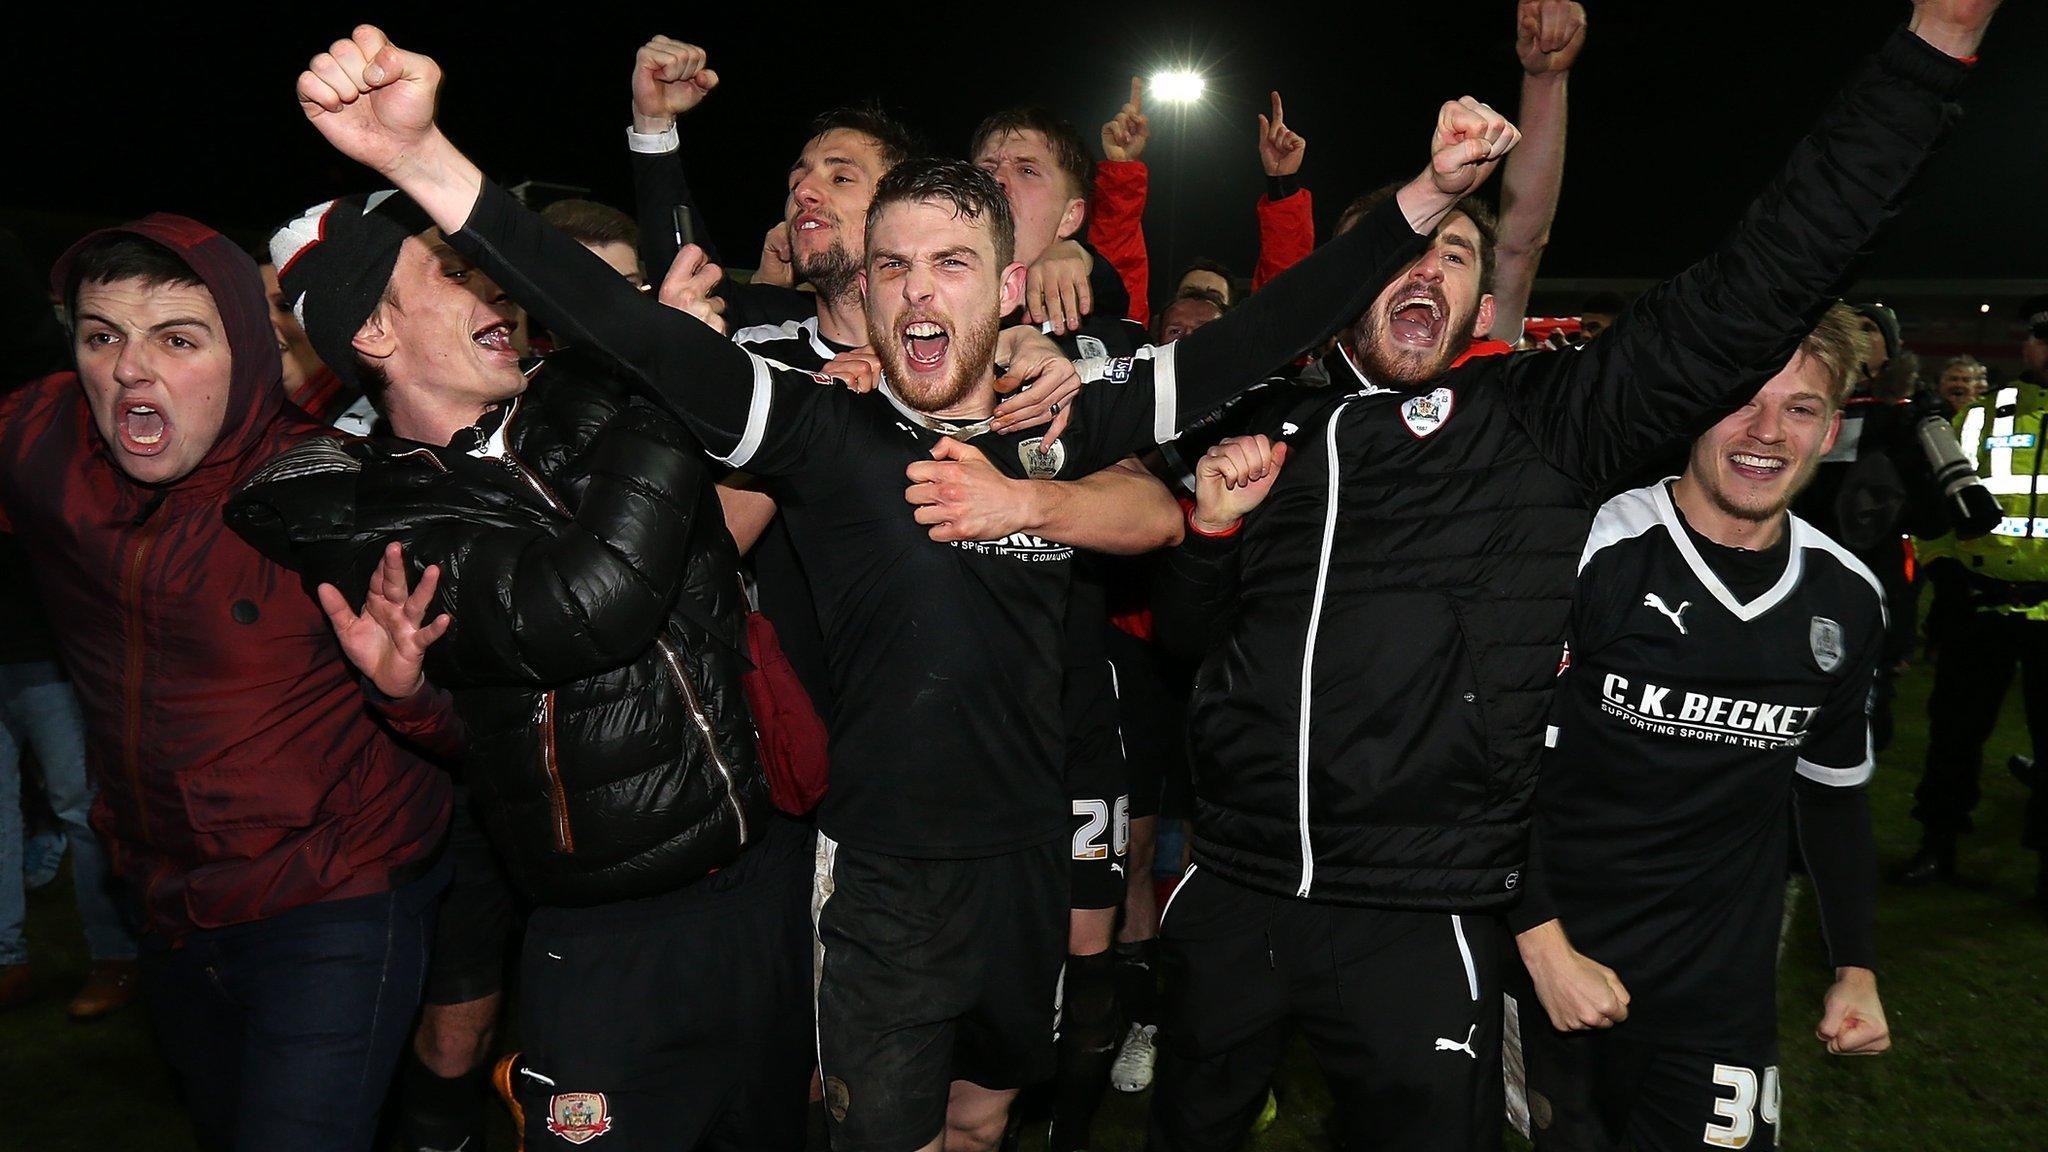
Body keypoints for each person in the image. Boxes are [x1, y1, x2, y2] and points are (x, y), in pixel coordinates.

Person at [292, 24, 1529, 1150]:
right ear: (869, 299)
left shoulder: (1069, 424)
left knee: (987, 1127)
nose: (920, 289)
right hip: (875, 885)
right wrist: (426, 161)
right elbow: (632, 332)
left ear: (1004, 290)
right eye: (893, 268)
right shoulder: (822, 437)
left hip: (1026, 868)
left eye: (951, 263)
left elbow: (1265, 336)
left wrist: (1427, 195)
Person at [1144, 10, 1986, 1149]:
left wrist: (1929, 47)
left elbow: (1761, 279)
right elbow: (1191, 643)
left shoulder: (1534, 424)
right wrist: (1204, 533)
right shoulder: (1261, 427)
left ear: (1479, 299)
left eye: (1452, 250)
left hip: (1419, 912)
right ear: (1340, 285)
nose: (1425, 264)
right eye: (1400, 243)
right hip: (1232, 891)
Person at [230, 187, 813, 1152]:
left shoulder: (574, 394)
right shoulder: (368, 512)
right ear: (372, 330)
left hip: (761, 885)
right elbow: (590, 604)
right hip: (607, 942)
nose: (494, 291)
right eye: (453, 275)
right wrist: (661, 381)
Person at [0, 213, 454, 1152]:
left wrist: (408, 693)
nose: (131, 369)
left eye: (177, 339)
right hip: (164, 901)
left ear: (248, 352)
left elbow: (492, 731)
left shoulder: (338, 495)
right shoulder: (45, 445)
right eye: (101, 336)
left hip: (336, 897)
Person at [1509, 303, 1891, 1152]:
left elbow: (1832, 802)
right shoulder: (1593, 551)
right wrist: (1541, 947)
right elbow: (1491, 766)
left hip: (1722, 994)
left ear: (1830, 432)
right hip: (1563, 967)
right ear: (1692, 407)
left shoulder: (1847, 596)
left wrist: (1854, 966)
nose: (1766, 431)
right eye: (1741, 398)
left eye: (1800, 408)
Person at [1897, 293, 2048, 905]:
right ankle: (1938, 843)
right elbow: (1932, 507)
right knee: (1954, 734)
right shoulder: (1980, 415)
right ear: (2027, 344)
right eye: (2042, 334)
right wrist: (1943, 571)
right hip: (1977, 603)